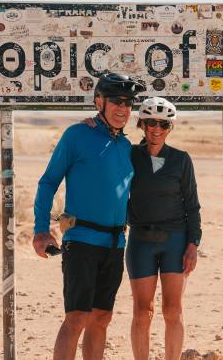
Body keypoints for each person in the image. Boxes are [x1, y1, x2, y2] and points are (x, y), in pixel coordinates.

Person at [32, 72, 145, 360]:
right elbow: (48, 182)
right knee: (77, 318)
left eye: (128, 103)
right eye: (116, 101)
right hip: (81, 240)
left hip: (115, 244)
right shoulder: (77, 135)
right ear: (99, 101)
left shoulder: (124, 146)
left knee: (102, 317)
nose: (123, 109)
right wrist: (41, 230)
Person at [126, 97, 201, 360]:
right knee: (142, 311)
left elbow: (192, 205)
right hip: (140, 241)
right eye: (150, 123)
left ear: (170, 128)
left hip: (175, 241)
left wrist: (193, 245)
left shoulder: (181, 160)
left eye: (163, 124)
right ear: (141, 125)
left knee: (172, 310)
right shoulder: (129, 154)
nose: (156, 129)